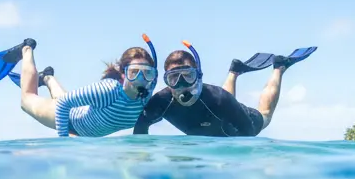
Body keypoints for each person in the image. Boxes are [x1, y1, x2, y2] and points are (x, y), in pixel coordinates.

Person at [0, 36, 158, 137]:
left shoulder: (147, 94)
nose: (141, 79)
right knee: (27, 99)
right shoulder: (108, 91)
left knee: (64, 97)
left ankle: (47, 77)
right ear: (123, 73)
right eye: (134, 73)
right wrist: (64, 142)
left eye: (147, 73)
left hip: (79, 114)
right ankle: (26, 49)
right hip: (68, 119)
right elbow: (63, 104)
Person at [132, 43, 315, 137]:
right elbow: (140, 131)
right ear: (167, 81)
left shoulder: (220, 99)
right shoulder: (160, 103)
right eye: (174, 78)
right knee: (220, 104)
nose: (181, 84)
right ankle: (234, 71)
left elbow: (247, 138)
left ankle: (279, 67)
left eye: (188, 76)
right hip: (221, 113)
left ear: (199, 75)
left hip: (243, 117)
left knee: (265, 115)